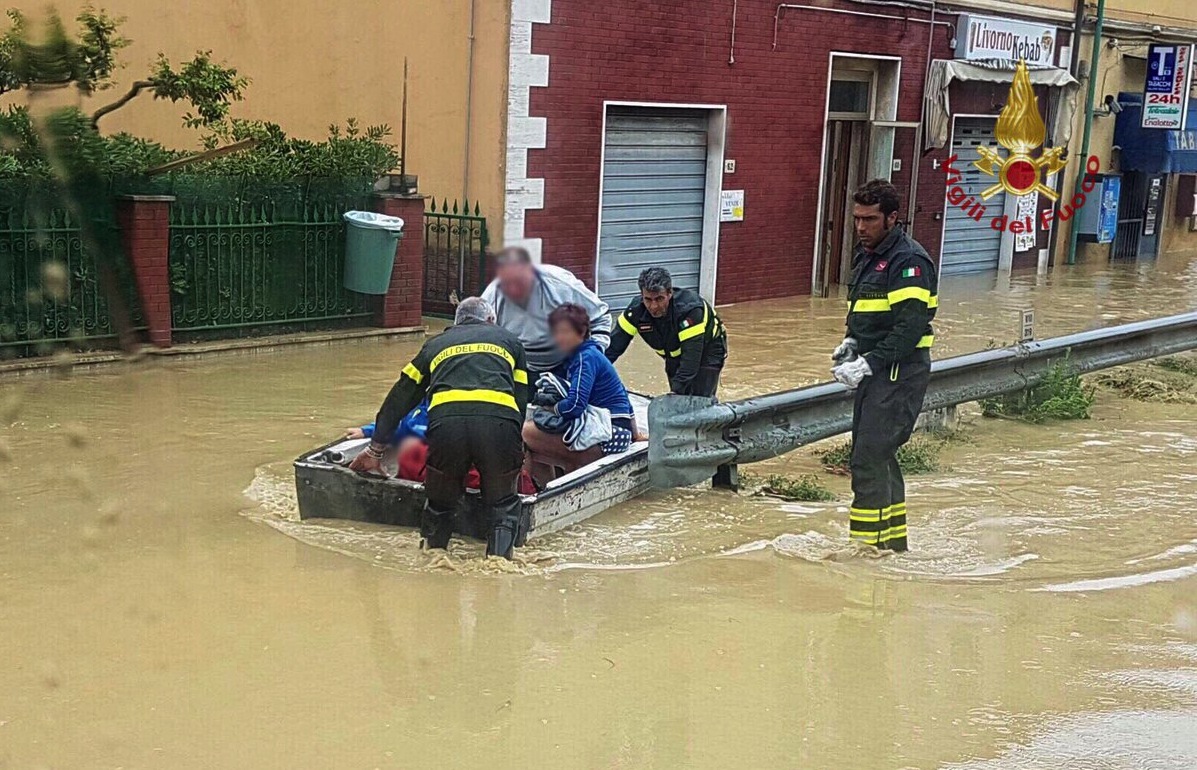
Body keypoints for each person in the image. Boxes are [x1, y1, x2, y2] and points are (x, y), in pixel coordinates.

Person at [348, 297, 530, 559]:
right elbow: (520, 399)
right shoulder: (510, 342)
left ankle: (434, 558)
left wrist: (375, 450)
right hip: (499, 426)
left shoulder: (434, 345)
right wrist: (511, 450)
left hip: (447, 428)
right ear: (490, 320)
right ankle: (499, 568)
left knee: (440, 504)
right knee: (502, 505)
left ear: (456, 323)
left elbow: (399, 399)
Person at [830, 179, 938, 553]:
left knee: (868, 459)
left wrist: (868, 363)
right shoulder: (869, 255)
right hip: (877, 371)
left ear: (893, 218)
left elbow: (909, 329)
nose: (860, 227)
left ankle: (865, 550)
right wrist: (851, 343)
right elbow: (866, 312)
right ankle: (891, 546)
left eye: (870, 219)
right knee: (877, 455)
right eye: (857, 218)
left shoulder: (908, 261)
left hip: (898, 372)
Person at [522, 304, 636, 487]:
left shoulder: (584, 358)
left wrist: (553, 408)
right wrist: (635, 434)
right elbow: (624, 397)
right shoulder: (593, 353)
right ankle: (548, 486)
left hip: (608, 436)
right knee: (544, 436)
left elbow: (575, 405)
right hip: (620, 431)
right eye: (556, 332)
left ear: (582, 331)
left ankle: (529, 492)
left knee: (524, 433)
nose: (559, 338)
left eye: (565, 332)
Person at [481, 246, 612, 377]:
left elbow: (601, 317)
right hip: (518, 366)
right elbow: (478, 334)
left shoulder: (561, 285)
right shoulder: (494, 294)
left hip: (566, 363)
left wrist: (593, 356)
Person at [605, 267, 727, 397]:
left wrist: (675, 393)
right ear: (642, 296)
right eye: (648, 299)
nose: (653, 306)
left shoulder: (689, 311)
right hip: (673, 352)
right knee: (677, 389)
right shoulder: (635, 312)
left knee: (698, 395)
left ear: (669, 293)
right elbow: (612, 348)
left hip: (708, 349)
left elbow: (690, 360)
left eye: (659, 299)